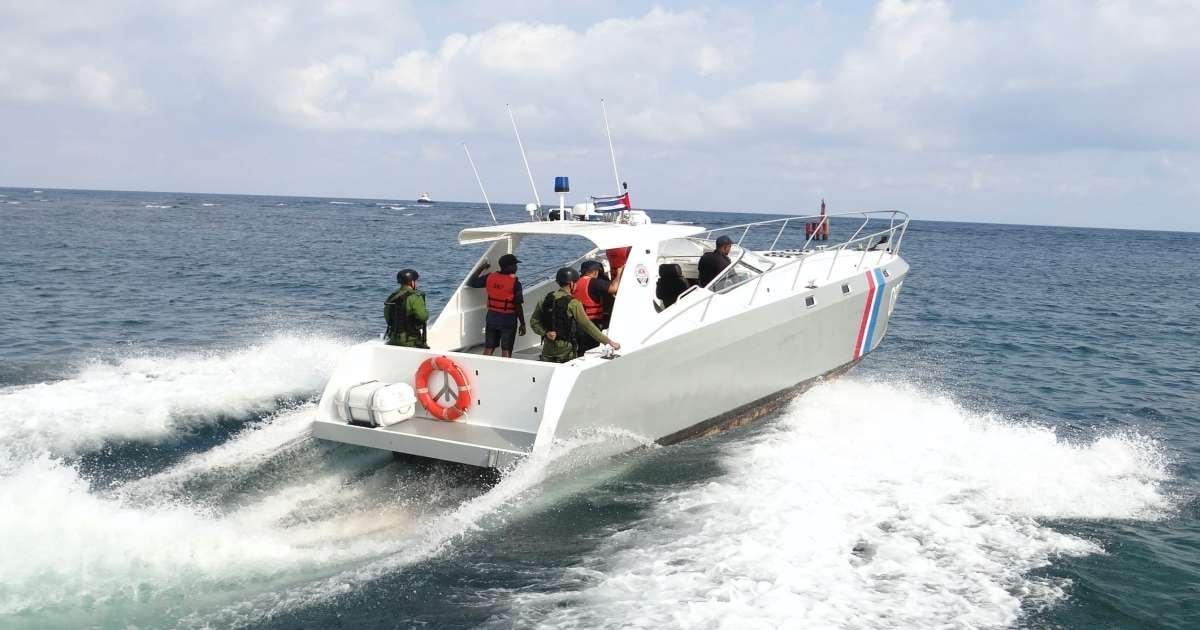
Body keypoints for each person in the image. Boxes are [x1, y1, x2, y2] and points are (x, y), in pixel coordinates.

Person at [531, 267, 621, 363]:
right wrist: (609, 342)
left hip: (547, 351)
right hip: (566, 352)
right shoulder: (573, 303)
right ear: (571, 284)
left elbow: (534, 322)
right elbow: (587, 325)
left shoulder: (544, 299)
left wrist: (545, 333)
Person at [466, 253, 526, 358]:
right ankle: (504, 370)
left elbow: (471, 282)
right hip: (508, 319)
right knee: (506, 349)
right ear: (509, 266)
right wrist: (522, 323)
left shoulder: (490, 277)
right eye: (515, 265)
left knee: (489, 347)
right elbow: (518, 305)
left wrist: (481, 268)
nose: (516, 267)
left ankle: (483, 366)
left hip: (492, 317)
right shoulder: (515, 283)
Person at [573, 260, 622, 353]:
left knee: (580, 348)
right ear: (595, 271)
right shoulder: (595, 282)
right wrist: (619, 274)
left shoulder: (575, 282)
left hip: (576, 323)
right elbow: (613, 288)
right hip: (591, 324)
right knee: (589, 349)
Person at [384, 269, 428, 348]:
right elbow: (423, 317)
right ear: (411, 282)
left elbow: (388, 319)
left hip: (392, 339)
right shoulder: (415, 297)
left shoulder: (392, 296)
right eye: (415, 281)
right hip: (410, 341)